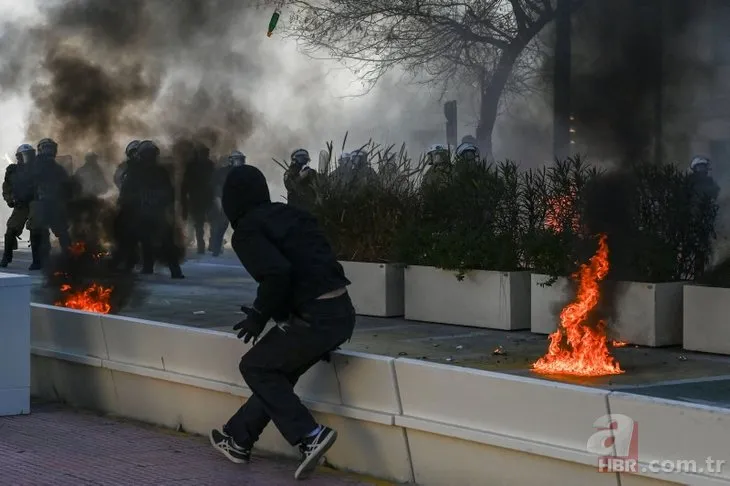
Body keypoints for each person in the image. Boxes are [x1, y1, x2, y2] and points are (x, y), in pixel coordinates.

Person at [209, 165, 355, 480]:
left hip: (315, 317)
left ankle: (310, 435)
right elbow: (316, 261)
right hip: (341, 312)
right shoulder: (290, 214)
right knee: (278, 372)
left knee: (256, 367)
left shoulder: (247, 229)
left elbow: (277, 273)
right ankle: (238, 438)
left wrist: (257, 317)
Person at [121, 140, 184, 278]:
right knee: (145, 240)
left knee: (163, 240)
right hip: (143, 211)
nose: (150, 157)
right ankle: (148, 266)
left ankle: (172, 269)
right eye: (147, 154)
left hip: (156, 211)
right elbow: (127, 192)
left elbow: (169, 192)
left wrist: (162, 202)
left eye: (151, 154)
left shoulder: (158, 172)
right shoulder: (135, 171)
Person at [26, 138, 72, 269]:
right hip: (39, 204)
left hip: (55, 204)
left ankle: (70, 259)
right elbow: (25, 184)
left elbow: (68, 187)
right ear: (40, 149)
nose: (48, 150)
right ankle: (38, 261)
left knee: (62, 232)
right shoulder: (33, 167)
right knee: (38, 232)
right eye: (45, 147)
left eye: (50, 148)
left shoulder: (58, 169)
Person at [0, 144, 34, 267]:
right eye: (24, 155)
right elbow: (6, 188)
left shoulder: (38, 169)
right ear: (18, 157)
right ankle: (6, 257)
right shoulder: (13, 171)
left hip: (36, 203)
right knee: (10, 231)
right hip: (21, 205)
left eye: (29, 155)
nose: (27, 158)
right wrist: (10, 200)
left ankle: (39, 260)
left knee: (37, 230)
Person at [181, 142, 216, 254]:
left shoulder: (208, 165)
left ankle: (207, 245)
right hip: (199, 198)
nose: (205, 155)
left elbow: (215, 181)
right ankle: (204, 245)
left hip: (203, 197)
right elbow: (185, 183)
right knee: (202, 223)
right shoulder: (195, 165)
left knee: (206, 223)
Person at [209, 150, 245, 256]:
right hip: (226, 203)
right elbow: (216, 188)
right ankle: (215, 249)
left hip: (238, 204)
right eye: (238, 159)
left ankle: (243, 249)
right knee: (220, 227)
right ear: (231, 161)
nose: (240, 162)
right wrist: (218, 201)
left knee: (242, 228)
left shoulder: (244, 172)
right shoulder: (223, 172)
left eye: (241, 159)